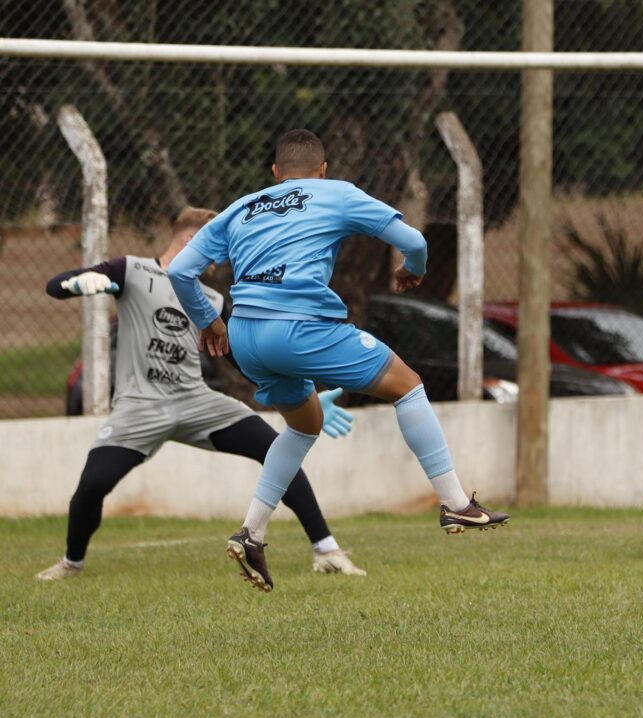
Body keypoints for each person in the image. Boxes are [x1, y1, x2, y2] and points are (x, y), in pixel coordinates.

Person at [169, 129, 509, 593]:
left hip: (246, 337)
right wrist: (413, 269)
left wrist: (209, 320)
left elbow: (178, 270)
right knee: (407, 385)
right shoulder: (336, 193)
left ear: (274, 173)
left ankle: (251, 532)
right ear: (323, 170)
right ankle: (454, 503)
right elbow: (413, 240)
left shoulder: (243, 206)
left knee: (305, 426)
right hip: (299, 327)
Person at [36, 207, 365, 582]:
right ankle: (71, 564)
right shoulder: (131, 270)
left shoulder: (211, 298)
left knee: (274, 449)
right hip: (139, 407)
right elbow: (55, 286)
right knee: (92, 484)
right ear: (193, 241)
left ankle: (326, 550)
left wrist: (301, 396)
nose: (218, 259)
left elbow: (244, 362)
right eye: (215, 248)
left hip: (196, 402)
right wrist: (77, 283)